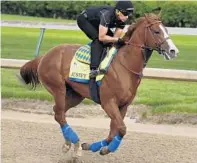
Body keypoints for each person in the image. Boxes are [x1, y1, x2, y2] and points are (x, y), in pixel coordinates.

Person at [77, 1, 134, 78]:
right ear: (117, 11)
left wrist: (118, 41)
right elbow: (102, 37)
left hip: (98, 22)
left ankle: (107, 63)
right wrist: (117, 40)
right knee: (98, 40)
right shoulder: (107, 15)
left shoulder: (123, 19)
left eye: (129, 14)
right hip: (85, 20)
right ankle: (93, 69)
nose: (127, 17)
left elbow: (114, 38)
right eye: (126, 14)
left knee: (110, 41)